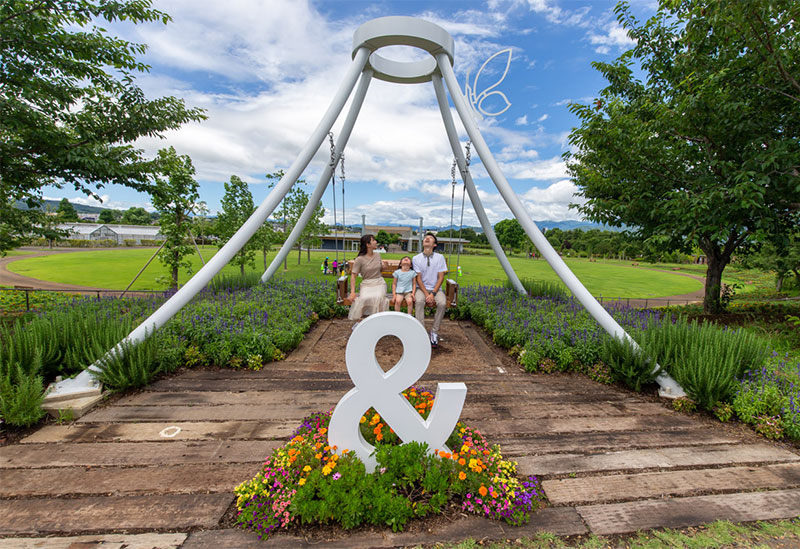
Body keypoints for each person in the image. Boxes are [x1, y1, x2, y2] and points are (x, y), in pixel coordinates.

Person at [413, 232, 448, 347]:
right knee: (419, 301)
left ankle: (434, 331)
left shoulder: (440, 258)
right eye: (425, 238)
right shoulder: (416, 258)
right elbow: (418, 279)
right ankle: (421, 331)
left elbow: (441, 277)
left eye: (430, 238)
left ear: (435, 245)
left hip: (436, 289)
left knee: (442, 303)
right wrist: (426, 294)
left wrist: (432, 294)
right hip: (421, 289)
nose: (427, 238)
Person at [347, 234, 389, 322]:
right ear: (368, 244)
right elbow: (353, 276)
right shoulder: (359, 259)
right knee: (363, 299)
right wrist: (352, 292)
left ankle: (378, 322)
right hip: (367, 284)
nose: (376, 242)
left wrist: (385, 267)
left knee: (379, 298)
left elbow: (380, 270)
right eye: (373, 240)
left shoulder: (378, 255)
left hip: (379, 283)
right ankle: (361, 323)